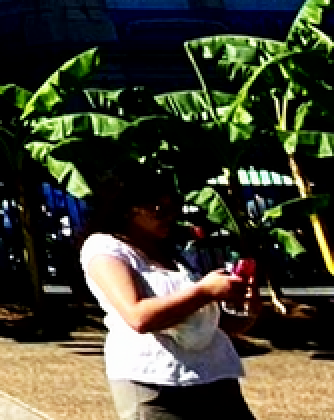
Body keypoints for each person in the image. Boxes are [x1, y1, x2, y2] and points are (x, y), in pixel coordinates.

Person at [80, 167, 260, 419]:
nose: (167, 215)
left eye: (172, 207)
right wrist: (205, 291)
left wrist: (249, 308)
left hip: (213, 375)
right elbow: (139, 317)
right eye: (157, 208)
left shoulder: (174, 252)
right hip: (152, 381)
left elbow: (211, 324)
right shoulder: (105, 248)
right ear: (128, 208)